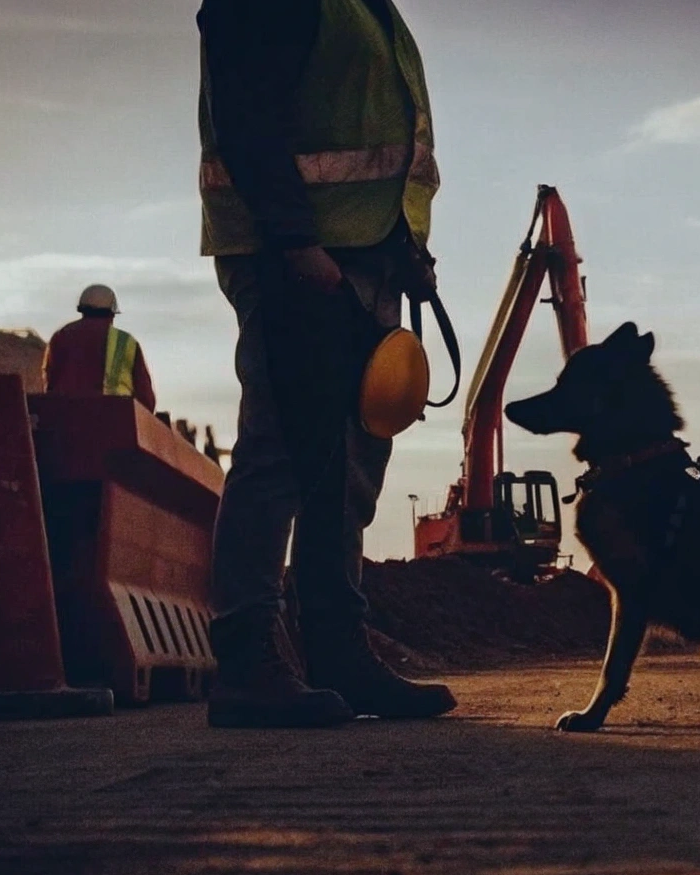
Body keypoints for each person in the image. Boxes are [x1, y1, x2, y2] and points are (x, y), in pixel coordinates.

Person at [197, 0, 457, 727]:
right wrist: (293, 242)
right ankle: (248, 661)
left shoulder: (365, 7)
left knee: (347, 462)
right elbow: (248, 119)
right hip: (301, 258)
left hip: (367, 256)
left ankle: (338, 651)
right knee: (281, 447)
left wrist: (405, 250)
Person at [40, 284, 156, 411]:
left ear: (82, 310)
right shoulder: (125, 341)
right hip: (117, 419)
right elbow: (146, 398)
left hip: (65, 418)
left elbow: (50, 382)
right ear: (112, 314)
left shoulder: (61, 336)